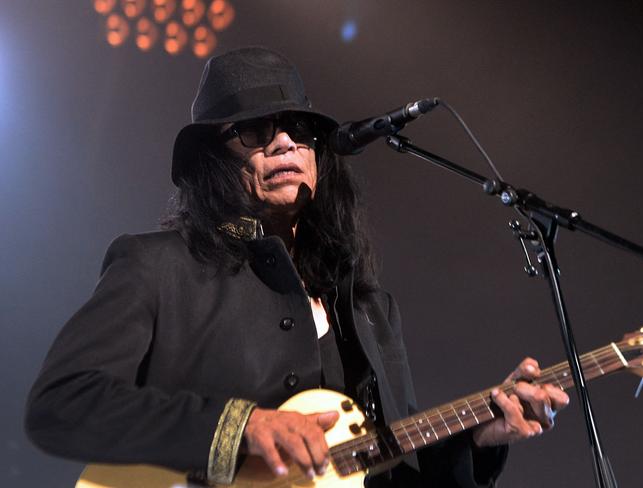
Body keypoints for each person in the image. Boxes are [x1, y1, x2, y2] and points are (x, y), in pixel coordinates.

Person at [25, 47, 569, 487]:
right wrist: (240, 428)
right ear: (214, 161)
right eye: (253, 131)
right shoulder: (157, 266)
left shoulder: (368, 307)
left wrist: (475, 439)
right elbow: (61, 403)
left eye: (298, 128)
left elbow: (384, 476)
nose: (283, 140)